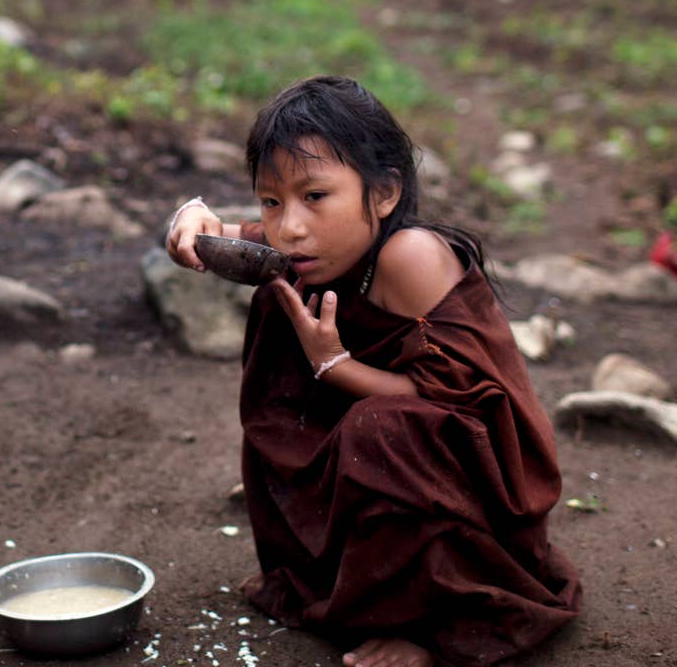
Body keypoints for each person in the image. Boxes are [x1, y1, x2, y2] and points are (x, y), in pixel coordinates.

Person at [166, 76, 580, 667]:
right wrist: (190, 216)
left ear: (384, 194)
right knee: (274, 296)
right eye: (270, 201)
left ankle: (428, 622)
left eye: (315, 197)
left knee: (380, 428)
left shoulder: (409, 256)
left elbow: (457, 409)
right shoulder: (316, 248)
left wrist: (335, 365)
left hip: (475, 486)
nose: (289, 227)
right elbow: (216, 238)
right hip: (401, 469)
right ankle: (349, 579)